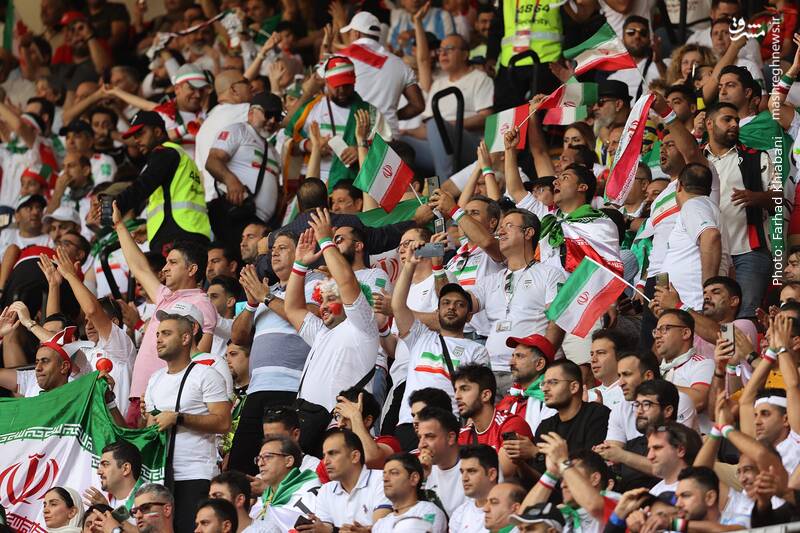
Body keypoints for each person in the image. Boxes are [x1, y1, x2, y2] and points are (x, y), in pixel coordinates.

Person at [112, 201, 218, 424]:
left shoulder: (201, 304)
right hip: (139, 395)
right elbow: (140, 267)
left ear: (192, 269)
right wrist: (120, 226)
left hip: (164, 399)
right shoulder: (165, 296)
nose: (164, 268)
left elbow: (201, 358)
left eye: (172, 262)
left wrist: (172, 396)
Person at [283, 210, 380, 455]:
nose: (323, 307)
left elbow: (347, 282)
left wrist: (326, 241)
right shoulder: (321, 332)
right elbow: (292, 308)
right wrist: (299, 265)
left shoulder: (363, 326)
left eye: (331, 299)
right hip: (308, 428)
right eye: (321, 300)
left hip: (341, 429)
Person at [227, 229, 320, 474]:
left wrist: (266, 297)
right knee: (240, 467)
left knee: (282, 463)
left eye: (282, 248)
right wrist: (251, 304)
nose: (274, 254)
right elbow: (238, 337)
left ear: (300, 251)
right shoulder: (267, 291)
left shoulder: (314, 281)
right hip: (257, 389)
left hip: (291, 387)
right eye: (272, 250)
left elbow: (310, 316)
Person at [392, 242, 489, 447]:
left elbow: (475, 399)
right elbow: (397, 306)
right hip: (410, 424)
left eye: (459, 304)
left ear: (469, 316)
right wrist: (409, 265)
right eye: (445, 303)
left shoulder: (477, 350)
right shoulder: (420, 337)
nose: (451, 308)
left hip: (446, 427)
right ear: (437, 311)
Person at [142, 313, 232, 533]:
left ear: (185, 338)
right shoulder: (155, 379)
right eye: (157, 334)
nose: (159, 339)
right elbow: (150, 428)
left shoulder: (207, 375)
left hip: (195, 474)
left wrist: (179, 418)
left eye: (166, 333)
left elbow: (223, 423)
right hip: (160, 476)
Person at [113, 111, 211, 254]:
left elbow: (143, 185)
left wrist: (114, 205)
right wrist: (151, 228)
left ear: (158, 132)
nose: (137, 140)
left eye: (140, 133)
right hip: (192, 231)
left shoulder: (165, 152)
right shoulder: (179, 155)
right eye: (135, 136)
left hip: (177, 233)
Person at [285, 56, 391, 184]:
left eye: (346, 86)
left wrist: (361, 149)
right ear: (326, 82)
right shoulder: (310, 108)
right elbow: (286, 142)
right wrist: (308, 145)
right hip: (313, 182)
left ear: (354, 81)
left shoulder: (370, 112)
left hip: (351, 185)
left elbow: (388, 148)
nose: (342, 91)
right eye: (337, 86)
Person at [205, 92, 282, 242]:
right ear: (251, 113)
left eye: (278, 117)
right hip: (236, 213)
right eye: (268, 114)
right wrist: (231, 181)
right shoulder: (238, 130)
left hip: (261, 224)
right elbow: (213, 161)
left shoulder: (272, 150)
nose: (272, 120)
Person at [338, 11, 425, 137]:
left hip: (353, 138)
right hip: (389, 140)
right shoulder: (400, 64)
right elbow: (418, 105)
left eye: (350, 33)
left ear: (356, 33)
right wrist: (390, 117)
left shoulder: (340, 58)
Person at [302, 429, 392, 531]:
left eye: (332, 453)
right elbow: (327, 528)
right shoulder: (326, 490)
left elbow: (381, 528)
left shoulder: (382, 480)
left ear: (355, 456)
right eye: (324, 455)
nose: (325, 462)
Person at [532, 360, 611, 474]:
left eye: (553, 382)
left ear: (574, 387)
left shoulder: (597, 415)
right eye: (543, 384)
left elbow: (589, 471)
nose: (545, 389)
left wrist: (535, 452)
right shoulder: (545, 427)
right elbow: (543, 479)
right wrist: (519, 463)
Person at [454, 364, 533, 476]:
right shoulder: (464, 434)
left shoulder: (511, 425)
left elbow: (500, 475)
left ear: (485, 395)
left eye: (464, 389)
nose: (457, 396)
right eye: (456, 390)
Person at [653, 310, 714, 425]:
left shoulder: (703, 364)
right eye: (656, 331)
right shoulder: (657, 371)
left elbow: (699, 401)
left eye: (665, 329)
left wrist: (656, 386)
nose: (657, 335)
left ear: (685, 333)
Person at [249, 434, 321, 527]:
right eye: (258, 459)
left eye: (267, 457)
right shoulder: (261, 500)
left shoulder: (310, 489)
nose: (260, 463)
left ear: (289, 461)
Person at [371, 452, 448, 532]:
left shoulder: (429, 512)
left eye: (393, 473)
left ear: (414, 478)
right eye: (384, 474)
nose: (385, 479)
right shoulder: (380, 524)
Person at [496, 334, 557, 434]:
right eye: (513, 356)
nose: (511, 363)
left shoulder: (552, 401)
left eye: (519, 356)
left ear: (539, 364)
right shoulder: (510, 398)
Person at [333, 387, 402, 469]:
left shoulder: (388, 442)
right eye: (338, 416)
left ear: (367, 421)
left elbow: (370, 458)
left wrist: (355, 416)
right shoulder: (331, 455)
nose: (340, 424)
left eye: (348, 416)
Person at [417, 407, 467, 516]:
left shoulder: (477, 466)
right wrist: (422, 479)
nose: (421, 445)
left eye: (429, 437)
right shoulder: (423, 470)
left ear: (450, 438)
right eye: (420, 437)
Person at [449, 445, 499, 533]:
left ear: (492, 474)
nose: (464, 478)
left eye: (471, 471)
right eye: (462, 472)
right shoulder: (459, 513)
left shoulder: (507, 511)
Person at [83, 441, 142, 513]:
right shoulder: (108, 502)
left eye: (105, 464)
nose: (98, 472)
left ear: (125, 469)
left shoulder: (149, 499)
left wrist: (108, 511)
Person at [647, 422, 703, 495]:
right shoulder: (654, 491)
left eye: (657, 448)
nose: (649, 456)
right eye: (649, 449)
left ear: (680, 450)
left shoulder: (697, 490)